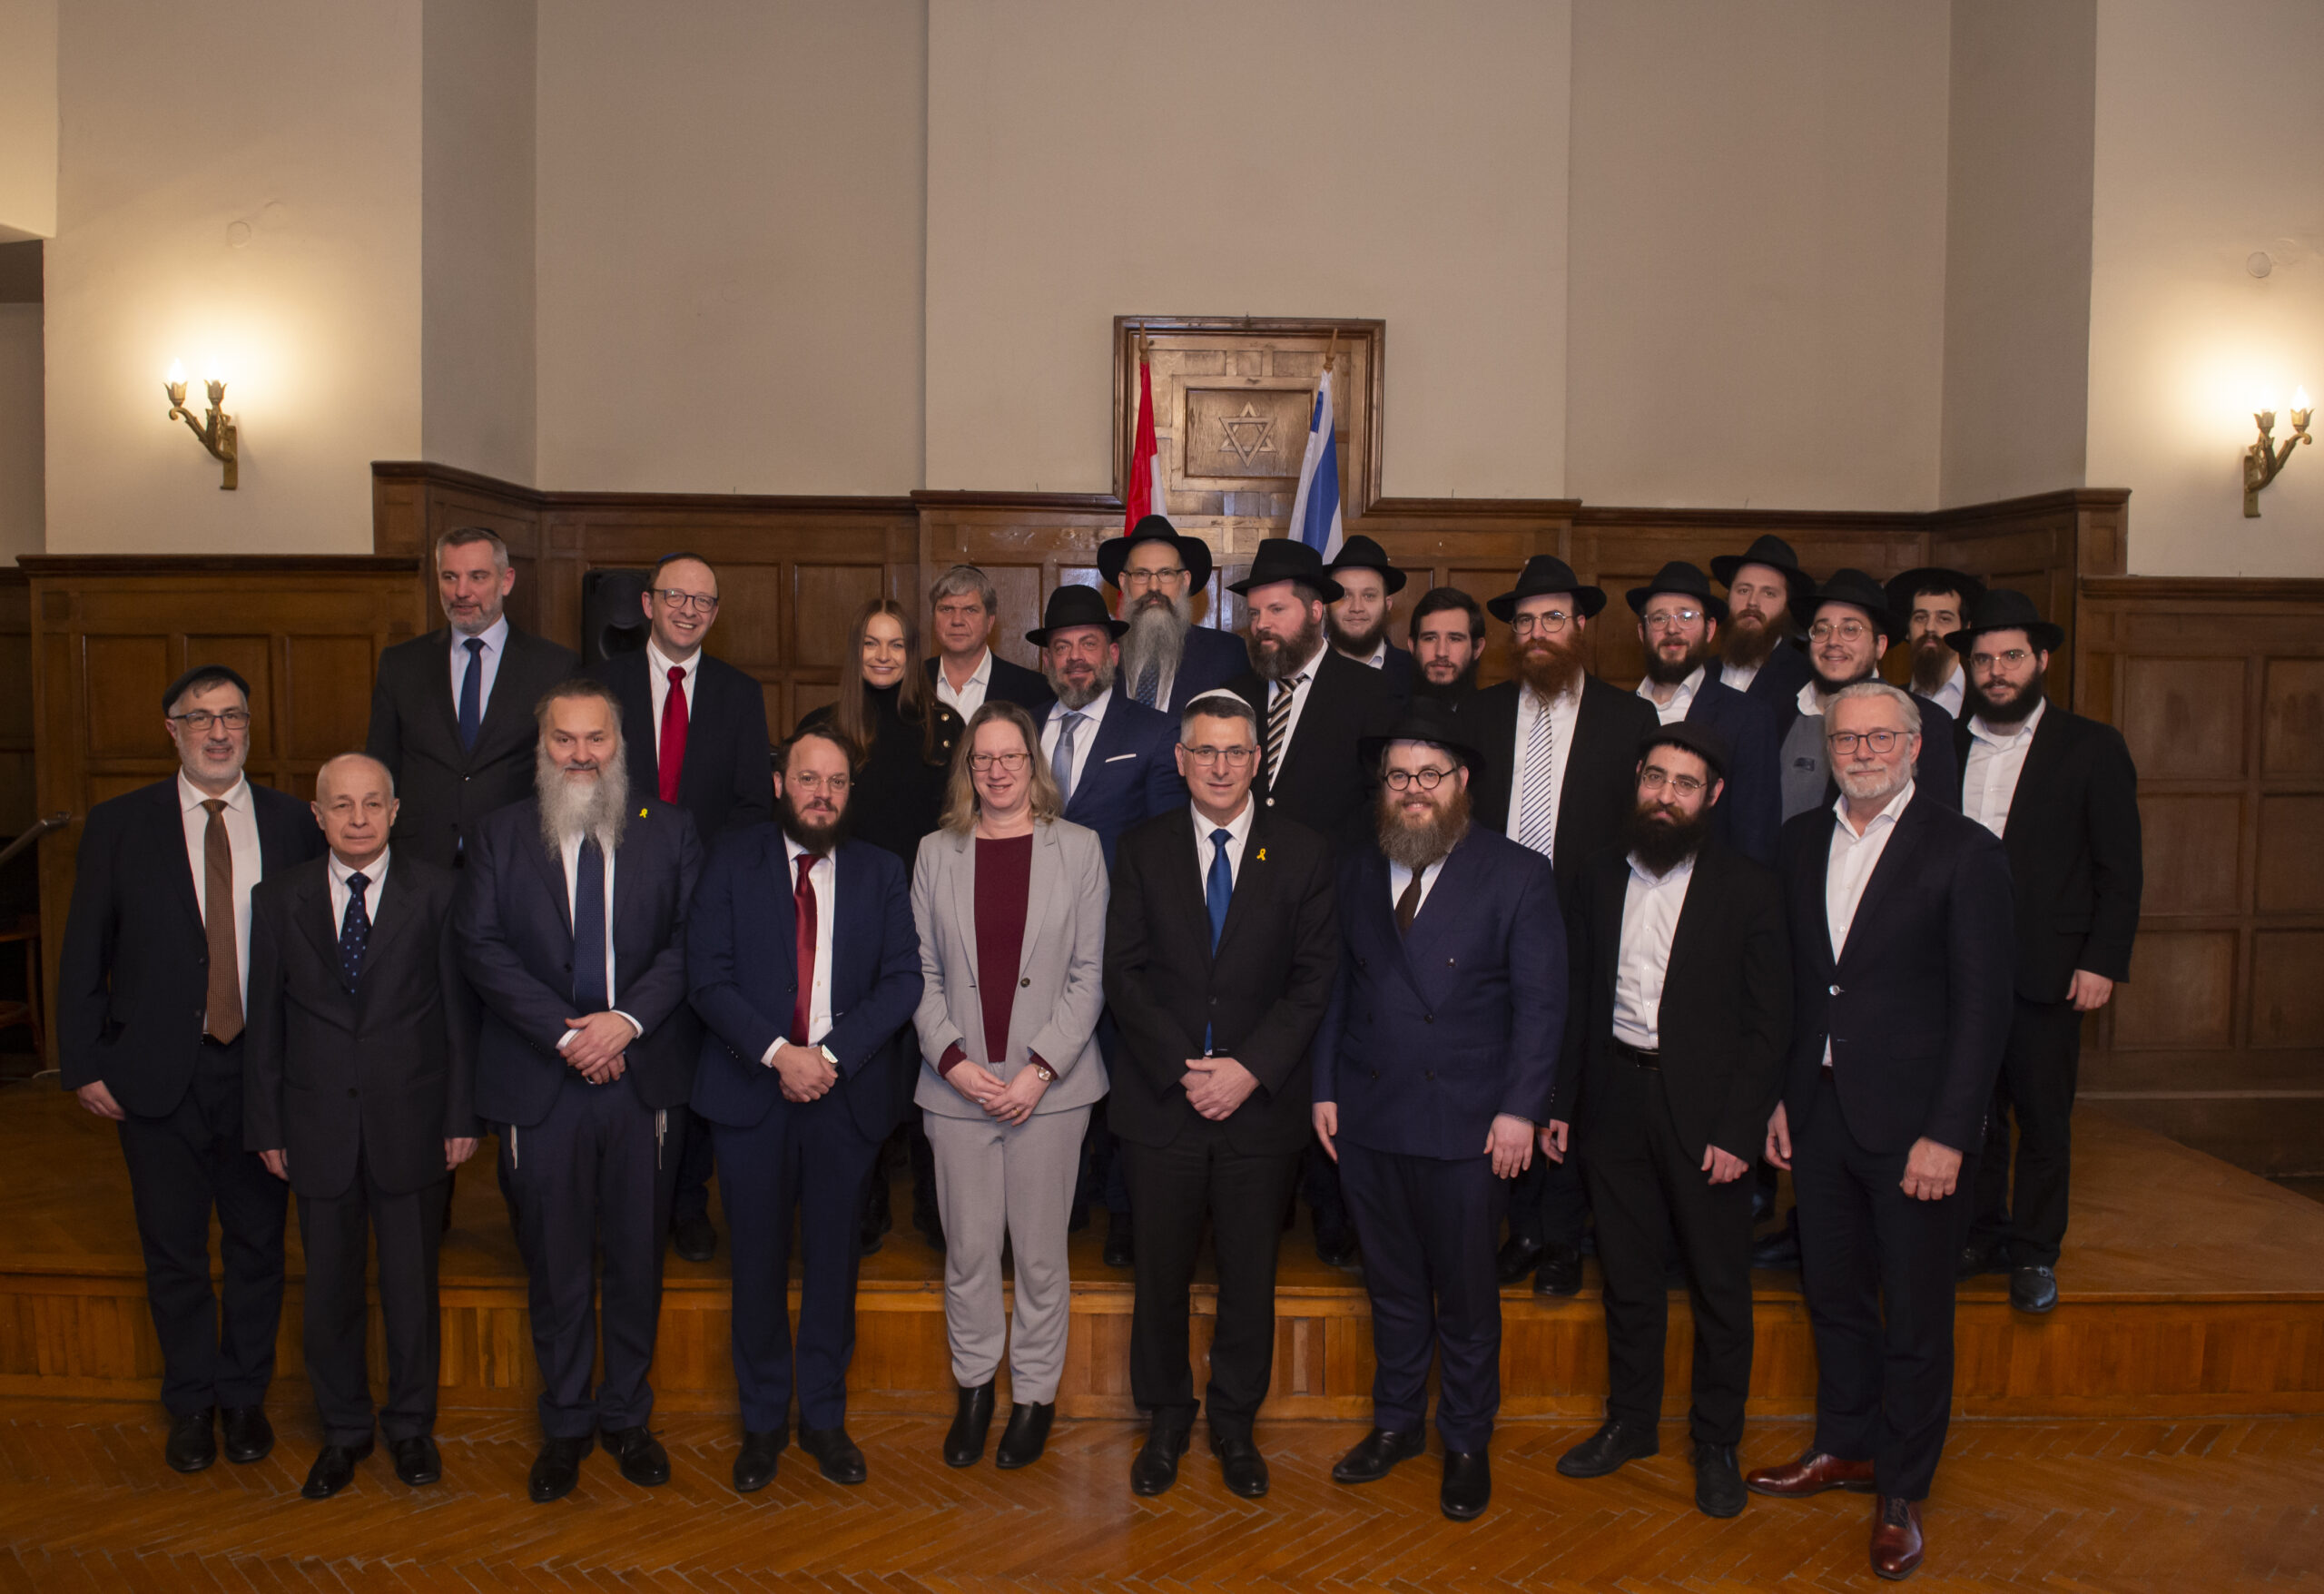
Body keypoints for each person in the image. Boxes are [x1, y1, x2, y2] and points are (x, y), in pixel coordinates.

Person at [1749, 682, 2014, 1581]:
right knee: (1833, 1295)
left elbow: (1983, 1011)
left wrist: (1950, 1133)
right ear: (1827, 748)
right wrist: (1779, 1098)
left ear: (1914, 745)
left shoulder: (1966, 852)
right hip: (1818, 1113)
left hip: (1915, 1129)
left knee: (1915, 1311)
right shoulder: (1797, 842)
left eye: (1878, 737)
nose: (1860, 752)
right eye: (1845, 739)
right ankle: (1844, 1446)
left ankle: (1901, 1487)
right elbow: (1795, 988)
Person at [55, 664, 325, 1474]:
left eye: (232, 716)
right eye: (200, 717)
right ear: (171, 730)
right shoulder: (119, 825)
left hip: (261, 1074)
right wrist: (83, 1062)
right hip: (154, 1074)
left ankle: (242, 1399)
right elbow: (83, 953)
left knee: (256, 1246)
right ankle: (190, 1403)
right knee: (173, 1251)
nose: (218, 731)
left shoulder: (293, 824)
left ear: (249, 728)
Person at [454, 678, 704, 1504]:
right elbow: (480, 947)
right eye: (564, 739)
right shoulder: (500, 835)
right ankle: (564, 1423)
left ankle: (627, 1415)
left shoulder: (669, 831)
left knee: (636, 1258)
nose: (581, 754)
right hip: (541, 1081)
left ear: (620, 746)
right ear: (542, 748)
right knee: (555, 1263)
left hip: (641, 1079)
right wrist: (570, 1036)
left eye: (597, 738)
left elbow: (689, 943)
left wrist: (623, 1023)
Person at [1315, 702, 1562, 1522]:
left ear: (1462, 784)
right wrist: (1324, 1088)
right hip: (1369, 1115)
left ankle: (1464, 1438)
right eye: (1398, 776)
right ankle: (1396, 1425)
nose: (1413, 789)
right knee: (1390, 1287)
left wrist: (1521, 1110)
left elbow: (1542, 1006)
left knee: (1463, 1296)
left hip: (1469, 1125)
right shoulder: (1357, 868)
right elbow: (1336, 991)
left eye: (1429, 775)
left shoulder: (1518, 873)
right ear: (1382, 787)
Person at [1542, 723, 1789, 1520]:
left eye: (1685, 784)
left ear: (1712, 796)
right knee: (1628, 1278)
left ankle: (1716, 1441)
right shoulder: (1594, 874)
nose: (1666, 796)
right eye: (1656, 778)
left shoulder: (1749, 888)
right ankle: (1631, 1423)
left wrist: (1740, 1130)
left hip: (1708, 1117)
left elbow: (1769, 1024)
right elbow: (1575, 997)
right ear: (1637, 782)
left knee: (1719, 1285)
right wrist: (1561, 1103)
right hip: (1613, 1101)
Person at [1104, 692, 1337, 1501]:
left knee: (1249, 1278)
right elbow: (1122, 974)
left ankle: (1235, 1424)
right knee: (1159, 1277)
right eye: (1205, 751)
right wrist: (1185, 1068)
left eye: (1236, 751)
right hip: (1162, 1104)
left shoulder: (1303, 853)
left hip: (1258, 1109)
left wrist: (1246, 1069)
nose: (1220, 766)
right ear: (1180, 759)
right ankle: (1166, 1420)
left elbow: (1313, 982)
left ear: (1257, 759)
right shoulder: (1140, 849)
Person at [688, 724, 922, 1492]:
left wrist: (828, 1057)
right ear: (780, 784)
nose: (822, 794)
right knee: (755, 1266)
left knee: (833, 1267)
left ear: (850, 792)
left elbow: (903, 981)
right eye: (808, 779)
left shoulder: (882, 871)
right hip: (750, 1095)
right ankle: (762, 1425)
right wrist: (778, 1055)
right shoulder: (731, 860)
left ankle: (823, 1418)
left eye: (837, 782)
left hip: (842, 1100)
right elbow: (707, 976)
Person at [243, 753, 478, 1500]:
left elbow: (459, 1018)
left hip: (413, 1123)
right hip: (314, 1128)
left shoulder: (438, 892)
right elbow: (265, 1025)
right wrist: (267, 1124)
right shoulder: (275, 899)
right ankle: (343, 1430)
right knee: (329, 1294)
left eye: (372, 803)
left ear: (395, 811)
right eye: (341, 805)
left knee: (411, 1290)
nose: (357, 818)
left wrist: (461, 1115)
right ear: (317, 816)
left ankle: (411, 1428)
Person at [911, 703, 1109, 1471]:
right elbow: (921, 972)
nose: (997, 772)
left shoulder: (1080, 849)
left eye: (1011, 757)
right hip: (955, 1090)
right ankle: (974, 1393)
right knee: (966, 1254)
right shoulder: (935, 852)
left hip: (1049, 1095)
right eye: (983, 759)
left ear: (1034, 764)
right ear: (968, 769)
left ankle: (1033, 1397)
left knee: (1039, 1257)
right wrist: (954, 1062)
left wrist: (1039, 1071)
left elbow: (1089, 976)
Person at [1463, 555, 1658, 1298]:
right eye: (1525, 622)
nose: (1538, 633)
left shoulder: (1629, 719)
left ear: (1581, 627)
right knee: (1506, 1069)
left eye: (1553, 619)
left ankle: (1563, 1235)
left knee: (1573, 1081)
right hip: (1494, 925)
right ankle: (1521, 1228)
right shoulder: (1481, 715)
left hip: (1586, 926)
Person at [1947, 589, 2142, 1314]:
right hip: (1955, 967)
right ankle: (1980, 1234)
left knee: (2043, 1119)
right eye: (1984, 660)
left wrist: (2102, 960)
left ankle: (2034, 1252)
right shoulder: (1943, 744)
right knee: (1969, 1112)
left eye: (2011, 657)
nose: (1997, 671)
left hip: (2050, 970)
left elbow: (2120, 868)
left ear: (2042, 661)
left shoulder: (2091, 747)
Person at [588, 550, 773, 1265]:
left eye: (702, 601)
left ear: (715, 613)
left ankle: (689, 1200)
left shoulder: (739, 693)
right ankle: (619, 1199)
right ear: (647, 604)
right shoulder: (600, 687)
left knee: (695, 1052)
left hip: (707, 899)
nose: (688, 610)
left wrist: (704, 879)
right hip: (616, 896)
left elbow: (753, 804)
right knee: (626, 1041)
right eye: (675, 596)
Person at [1226, 536, 1394, 1268]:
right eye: (1255, 612)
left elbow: (1383, 815)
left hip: (1334, 910)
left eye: (1278, 610)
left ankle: (1332, 1208)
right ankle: (1259, 1202)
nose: (1264, 624)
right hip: (1241, 913)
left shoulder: (1372, 695)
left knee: (1325, 1056)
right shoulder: (1234, 694)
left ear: (1317, 612)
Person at [802, 597, 962, 1255]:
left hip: (928, 914)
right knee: (856, 1059)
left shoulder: (944, 728)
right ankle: (862, 1202)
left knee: (929, 1058)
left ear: (913, 653)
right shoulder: (823, 727)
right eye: (871, 643)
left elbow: (960, 825)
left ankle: (931, 1202)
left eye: (897, 645)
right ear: (855, 651)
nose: (884, 656)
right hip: (845, 918)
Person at [365, 526, 581, 868]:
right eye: (450, 577)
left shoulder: (553, 667)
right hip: (419, 863)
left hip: (516, 859)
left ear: (506, 581)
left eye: (477, 577)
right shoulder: (401, 664)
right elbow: (379, 768)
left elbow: (565, 775)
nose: (461, 592)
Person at [1625, 560, 1784, 863]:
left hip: (1711, 886)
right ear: (1642, 632)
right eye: (1659, 618)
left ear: (1710, 629)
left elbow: (1755, 835)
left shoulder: (1749, 717)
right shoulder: (1614, 712)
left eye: (1687, 616)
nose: (1672, 628)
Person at [1777, 569, 1963, 822]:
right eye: (1822, 629)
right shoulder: (1776, 715)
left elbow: (1940, 825)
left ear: (1880, 646)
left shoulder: (1926, 722)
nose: (1833, 641)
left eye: (1850, 629)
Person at [1029, 584, 1187, 869]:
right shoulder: (1023, 728)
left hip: (1116, 893)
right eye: (1062, 647)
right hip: (1031, 890)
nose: (1075, 656)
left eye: (1089, 644)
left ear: (1113, 655)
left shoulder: (1156, 732)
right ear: (1047, 661)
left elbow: (1168, 841)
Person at [1100, 513, 1250, 713]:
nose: (1154, 586)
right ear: (1123, 582)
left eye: (1166, 573)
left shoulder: (1227, 654)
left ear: (1185, 581)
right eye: (1141, 574)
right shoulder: (1101, 655)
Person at [925, 564, 1056, 720]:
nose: (957, 620)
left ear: (990, 622)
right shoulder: (909, 682)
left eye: (970, 610)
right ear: (934, 618)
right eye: (947, 609)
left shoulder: (1034, 689)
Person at [1708, 534, 1816, 709]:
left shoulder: (1806, 678)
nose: (1752, 602)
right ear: (1728, 597)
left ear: (1786, 606)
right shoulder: (1701, 673)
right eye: (1743, 590)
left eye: (1769, 593)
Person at [1885, 568, 1986, 722]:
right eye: (1920, 618)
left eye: (1944, 619)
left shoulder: (1986, 700)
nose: (1930, 627)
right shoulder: (1889, 702)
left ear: (1965, 629)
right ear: (1907, 630)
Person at [1324, 535, 1416, 697]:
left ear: (1387, 604)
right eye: (1344, 596)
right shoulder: (1303, 669)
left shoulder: (1415, 673)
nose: (1356, 608)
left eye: (1369, 596)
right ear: (1327, 605)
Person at [1406, 585, 1487, 705]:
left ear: (1477, 649)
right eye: (1430, 638)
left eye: (1455, 639)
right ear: (1413, 646)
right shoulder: (1389, 712)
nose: (1441, 652)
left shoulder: (1496, 714)